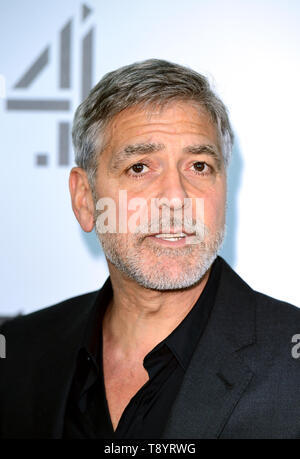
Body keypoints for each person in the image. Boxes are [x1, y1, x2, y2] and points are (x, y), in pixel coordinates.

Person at [1, 59, 300, 439]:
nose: (176, 198)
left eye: (199, 166)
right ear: (85, 199)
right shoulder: (20, 351)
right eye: (140, 168)